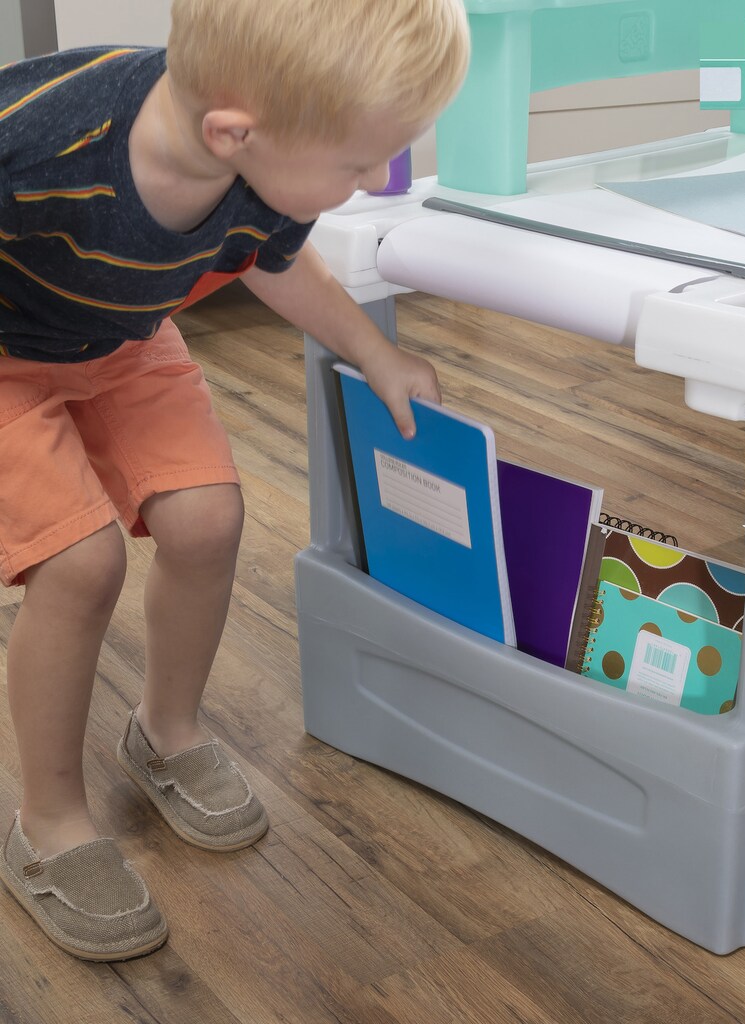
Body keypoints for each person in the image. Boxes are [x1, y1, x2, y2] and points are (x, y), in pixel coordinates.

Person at [0, 0, 469, 960]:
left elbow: (276, 264)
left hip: (121, 342)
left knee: (209, 518)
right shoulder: (43, 138)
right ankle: (48, 824)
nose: (368, 182)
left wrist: (373, 356)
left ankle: (165, 729)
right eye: (355, 166)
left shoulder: (259, 164)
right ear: (233, 132)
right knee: (79, 566)